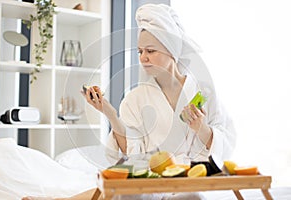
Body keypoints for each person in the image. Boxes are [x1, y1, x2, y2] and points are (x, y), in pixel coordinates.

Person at [22, 3, 236, 200]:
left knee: (192, 198)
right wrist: (109, 113)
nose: (143, 58)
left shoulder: (204, 92)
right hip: (149, 182)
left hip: (190, 181)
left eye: (151, 51)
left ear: (171, 50)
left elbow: (224, 146)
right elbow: (129, 153)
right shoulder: (136, 98)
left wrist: (201, 128)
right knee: (126, 193)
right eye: (140, 51)